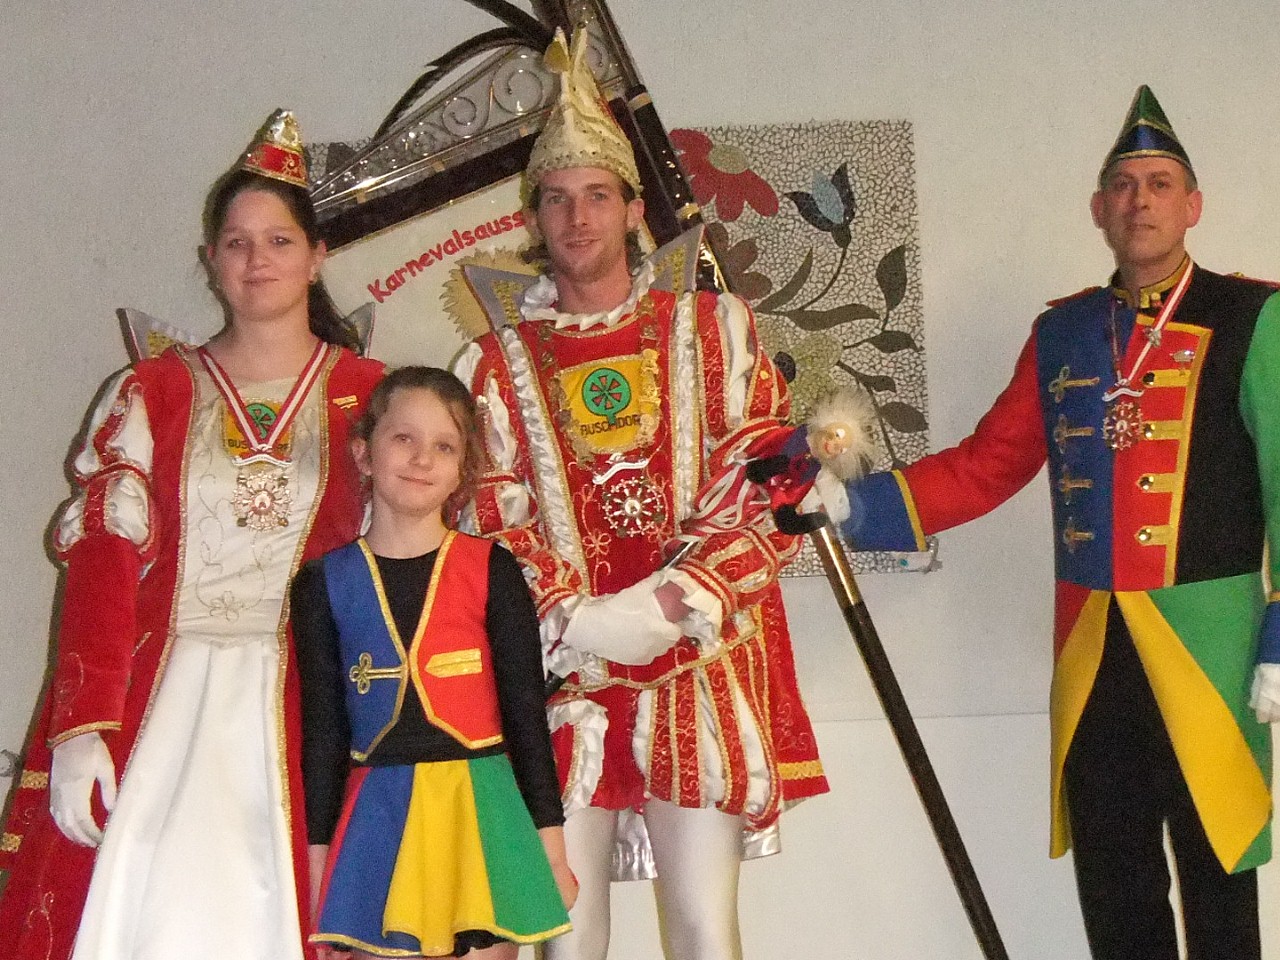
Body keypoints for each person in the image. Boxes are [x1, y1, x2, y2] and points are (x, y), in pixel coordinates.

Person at [809, 86, 1280, 960]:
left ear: (1193, 206)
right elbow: (989, 464)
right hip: (1094, 648)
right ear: (1100, 209)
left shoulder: (1255, 317)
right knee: (1115, 887)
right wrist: (855, 504)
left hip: (1211, 649)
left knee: (1220, 880)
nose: (1140, 201)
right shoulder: (1064, 332)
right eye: (1124, 186)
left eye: (1160, 183)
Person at [453, 28, 827, 960]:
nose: (577, 217)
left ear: (631, 211)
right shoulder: (490, 366)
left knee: (704, 927)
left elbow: (775, 479)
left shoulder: (717, 328)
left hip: (697, 664)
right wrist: (577, 619)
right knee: (564, 935)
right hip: (561, 679)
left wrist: (667, 603)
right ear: (534, 219)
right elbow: (485, 510)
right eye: (556, 199)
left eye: (597, 196)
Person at [0, 110, 385, 960]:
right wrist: (83, 724)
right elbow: (104, 556)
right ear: (211, 259)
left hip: (315, 701)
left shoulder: (374, 396)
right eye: (237, 243)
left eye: (279, 241)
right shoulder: (155, 390)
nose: (257, 261)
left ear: (318, 256)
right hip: (160, 701)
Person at [291, 366, 576, 959]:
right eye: (404, 438)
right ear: (363, 452)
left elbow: (526, 718)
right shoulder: (323, 583)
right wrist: (322, 871)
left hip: (483, 812)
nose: (422, 459)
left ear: (462, 469)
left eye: (444, 446)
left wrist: (550, 850)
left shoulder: (492, 569)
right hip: (377, 817)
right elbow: (323, 735)